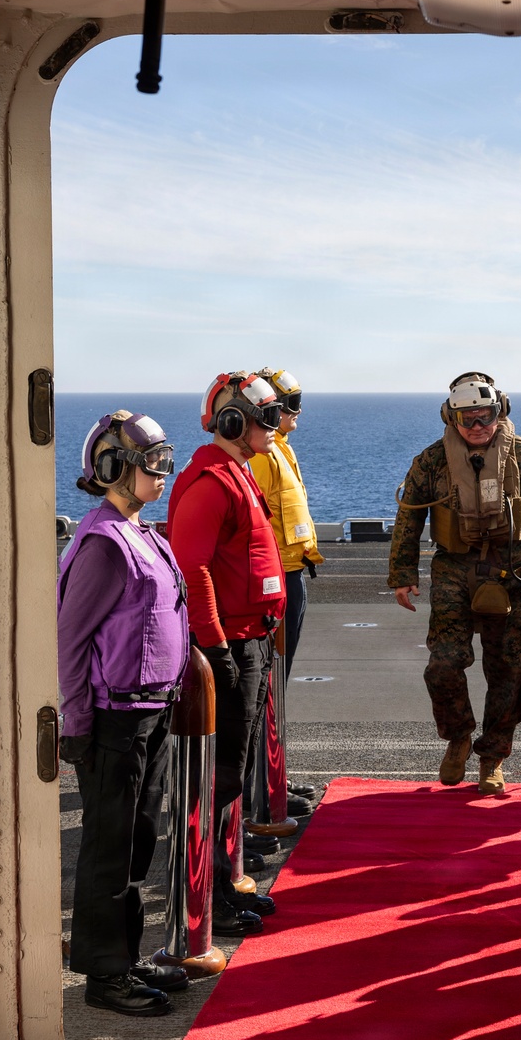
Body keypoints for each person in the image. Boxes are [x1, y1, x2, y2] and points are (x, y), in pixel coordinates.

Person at [58, 411, 189, 1015]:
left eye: (166, 460)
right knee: (109, 848)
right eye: (151, 463)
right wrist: (79, 726)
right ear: (113, 468)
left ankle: (126, 959)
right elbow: (69, 642)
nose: (163, 473)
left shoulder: (143, 533)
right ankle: (105, 977)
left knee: (135, 842)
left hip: (148, 711)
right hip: (115, 718)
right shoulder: (104, 545)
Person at [389, 373, 521, 796]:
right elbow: (408, 518)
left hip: (511, 571)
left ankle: (492, 758)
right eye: (466, 418)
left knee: (507, 670)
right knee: (444, 664)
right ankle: (458, 736)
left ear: (499, 411)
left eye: (485, 415)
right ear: (450, 418)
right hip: (453, 570)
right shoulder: (431, 462)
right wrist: (402, 574)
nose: (476, 425)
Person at [167, 372, 289, 936]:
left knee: (232, 774)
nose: (275, 428)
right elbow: (191, 568)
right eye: (265, 418)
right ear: (232, 421)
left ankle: (220, 879)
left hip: (250, 639)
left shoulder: (236, 472)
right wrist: (216, 648)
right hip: (231, 645)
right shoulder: (212, 483)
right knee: (220, 775)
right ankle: (209, 889)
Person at [247, 367, 324, 808]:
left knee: (274, 688)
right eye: (289, 403)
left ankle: (272, 776)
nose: (296, 411)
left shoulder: (278, 450)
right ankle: (262, 789)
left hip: (291, 573)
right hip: (275, 581)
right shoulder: (263, 455)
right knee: (266, 690)